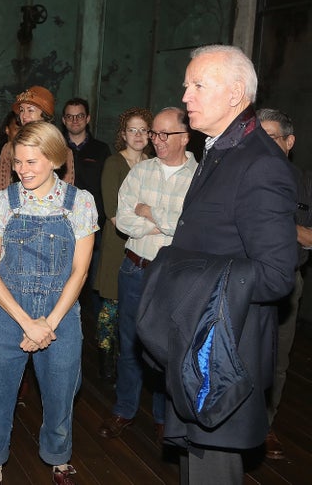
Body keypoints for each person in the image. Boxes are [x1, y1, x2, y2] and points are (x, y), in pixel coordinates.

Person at [141, 45, 297, 484]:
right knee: (196, 464)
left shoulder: (260, 163)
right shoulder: (223, 149)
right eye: (186, 85)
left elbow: (276, 275)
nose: (185, 95)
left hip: (223, 350)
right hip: (200, 339)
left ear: (234, 94)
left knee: (213, 470)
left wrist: (182, 275)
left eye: (197, 85)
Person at [0, 121, 97, 485]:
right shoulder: (0, 203)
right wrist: (27, 322)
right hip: (7, 308)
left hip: (61, 310)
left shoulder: (80, 203)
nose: (22, 170)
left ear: (56, 160)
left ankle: (58, 457)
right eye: (18, 162)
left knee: (62, 391)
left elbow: (79, 273)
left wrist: (50, 323)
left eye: (32, 162)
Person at [97, 107, 196, 443]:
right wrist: (165, 221)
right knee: (130, 343)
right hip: (135, 268)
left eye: (165, 134)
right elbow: (124, 219)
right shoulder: (140, 172)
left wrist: (150, 212)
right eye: (154, 133)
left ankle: (162, 416)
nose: (157, 140)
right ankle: (124, 408)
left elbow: (189, 226)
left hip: (174, 274)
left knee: (167, 347)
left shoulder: (200, 176)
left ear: (185, 137)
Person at [257, 108, 310, 460]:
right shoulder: (240, 175)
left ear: (289, 142)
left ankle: (266, 426)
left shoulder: (304, 182)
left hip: (288, 282)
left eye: (271, 137)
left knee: (277, 359)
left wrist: (276, 223)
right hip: (244, 277)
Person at [93, 107, 152, 383]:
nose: (138, 135)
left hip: (148, 248)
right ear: (123, 135)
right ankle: (105, 358)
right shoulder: (113, 164)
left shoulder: (154, 163)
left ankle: (130, 359)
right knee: (112, 306)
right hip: (119, 244)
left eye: (143, 130)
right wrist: (150, 221)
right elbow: (113, 213)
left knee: (138, 307)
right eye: (133, 130)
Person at [61, 97, 111, 318]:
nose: (75, 120)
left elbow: (106, 189)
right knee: (62, 278)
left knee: (91, 281)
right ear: (63, 120)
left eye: (79, 115)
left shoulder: (101, 150)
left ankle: (91, 332)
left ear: (87, 118)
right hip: (61, 224)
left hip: (92, 227)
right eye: (70, 116)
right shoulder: (56, 147)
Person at [0, 85, 74, 192]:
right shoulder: (9, 148)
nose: (24, 116)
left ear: (44, 115)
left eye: (30, 110)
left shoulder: (62, 151)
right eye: (21, 110)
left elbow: (67, 194)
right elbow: (0, 190)